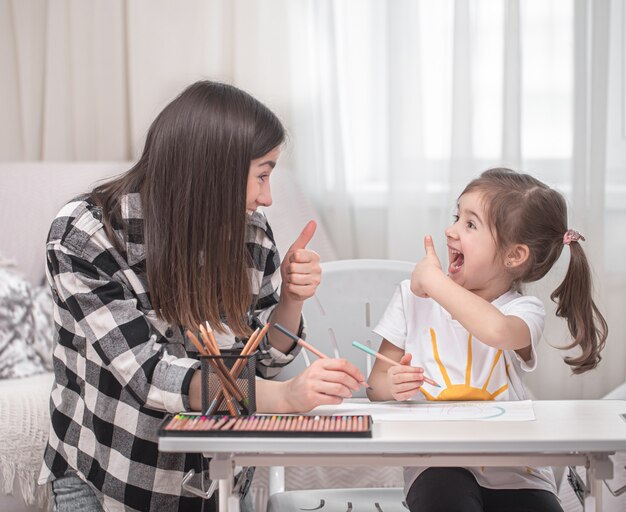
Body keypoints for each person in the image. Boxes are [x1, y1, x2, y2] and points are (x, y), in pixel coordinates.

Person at [39, 81, 366, 512]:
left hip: (220, 479)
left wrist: (291, 298)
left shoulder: (250, 231)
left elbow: (266, 357)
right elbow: (151, 376)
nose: (267, 197)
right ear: (214, 170)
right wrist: (283, 400)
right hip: (108, 482)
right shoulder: (86, 236)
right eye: (262, 175)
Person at [366, 168, 608, 512]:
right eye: (456, 216)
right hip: (437, 462)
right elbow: (375, 387)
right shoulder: (411, 297)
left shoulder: (523, 310)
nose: (451, 230)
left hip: (517, 469)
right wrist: (393, 385)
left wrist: (433, 282)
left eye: (470, 224)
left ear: (514, 255)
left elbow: (495, 332)